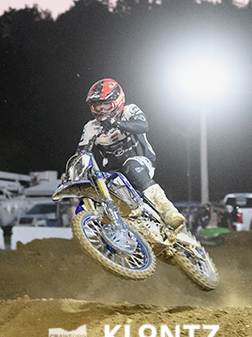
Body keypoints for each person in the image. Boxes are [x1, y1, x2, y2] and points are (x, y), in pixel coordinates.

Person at [77, 78, 185, 229]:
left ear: (117, 101)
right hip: (115, 172)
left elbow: (143, 125)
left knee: (131, 166)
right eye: (97, 106)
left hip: (141, 161)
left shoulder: (128, 111)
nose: (102, 110)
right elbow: (81, 155)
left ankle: (168, 211)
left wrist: (116, 123)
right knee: (92, 188)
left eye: (106, 104)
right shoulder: (90, 127)